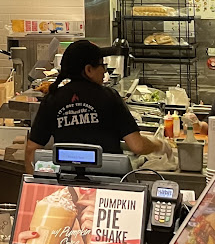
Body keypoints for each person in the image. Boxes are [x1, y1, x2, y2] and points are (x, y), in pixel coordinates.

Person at [25, 40, 172, 174]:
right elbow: (137, 146)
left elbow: (31, 149)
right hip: (109, 183)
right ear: (88, 70)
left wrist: (32, 184)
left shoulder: (52, 99)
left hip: (66, 183)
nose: (104, 71)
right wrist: (159, 145)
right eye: (102, 65)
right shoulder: (109, 97)